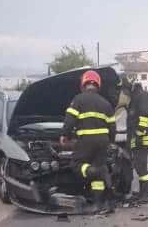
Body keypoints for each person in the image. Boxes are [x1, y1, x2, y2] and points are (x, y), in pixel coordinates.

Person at [60, 70, 116, 214]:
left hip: (86, 140)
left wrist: (64, 135)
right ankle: (98, 204)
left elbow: (70, 120)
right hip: (103, 141)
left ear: (83, 84)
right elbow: (112, 127)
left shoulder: (78, 99)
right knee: (97, 176)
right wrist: (110, 142)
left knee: (76, 164)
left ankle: (94, 171)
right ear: (98, 84)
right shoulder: (106, 103)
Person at [127, 80, 148, 204]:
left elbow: (145, 114)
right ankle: (143, 193)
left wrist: (139, 133)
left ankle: (146, 195)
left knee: (141, 167)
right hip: (140, 138)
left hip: (142, 139)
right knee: (139, 166)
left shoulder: (141, 97)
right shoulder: (137, 97)